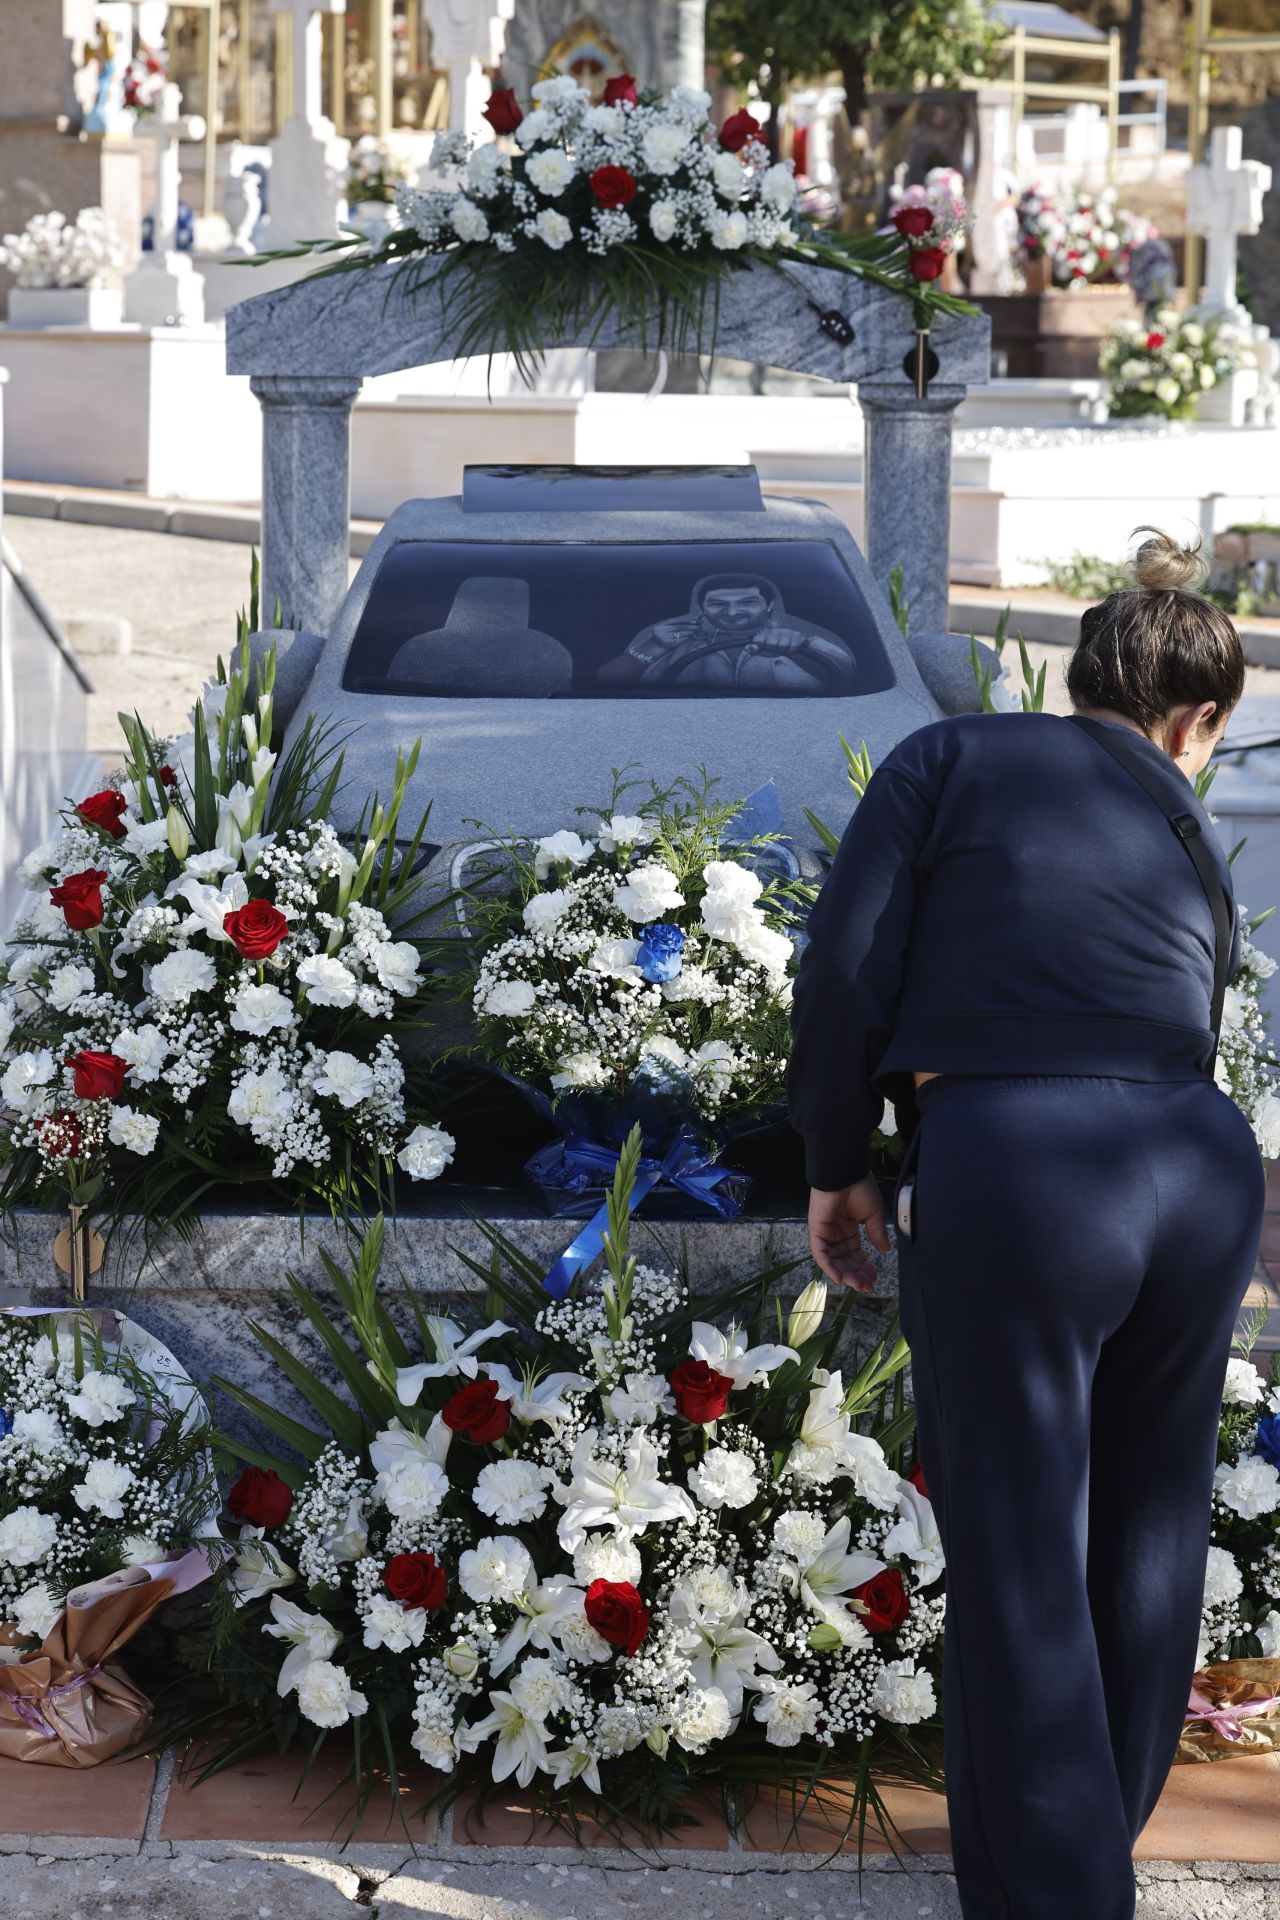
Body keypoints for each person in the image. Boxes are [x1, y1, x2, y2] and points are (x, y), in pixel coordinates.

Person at [785, 528, 1266, 1920]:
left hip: (1022, 1165)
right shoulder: (1183, 820)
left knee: (1018, 1546)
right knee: (1149, 1526)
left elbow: (845, 966)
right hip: (1193, 1157)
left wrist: (838, 1156)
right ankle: (1054, 1863)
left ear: (1080, 678)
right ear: (1198, 720)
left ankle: (1063, 1896)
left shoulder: (953, 758)